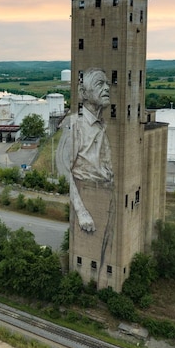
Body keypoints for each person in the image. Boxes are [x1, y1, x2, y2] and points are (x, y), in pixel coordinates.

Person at [68, 67, 114, 233]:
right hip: (87, 198)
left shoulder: (101, 125)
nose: (107, 88)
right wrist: (81, 211)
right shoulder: (75, 126)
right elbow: (63, 171)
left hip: (106, 198)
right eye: (100, 84)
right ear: (83, 92)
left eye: (107, 84)